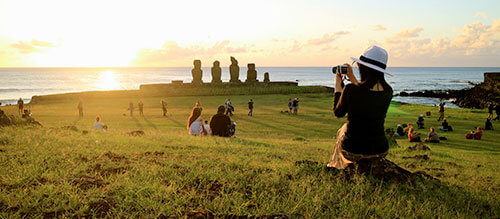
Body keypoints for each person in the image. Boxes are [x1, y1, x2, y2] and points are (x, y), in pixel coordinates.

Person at [327, 45, 393, 169]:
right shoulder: (388, 91)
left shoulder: (351, 90)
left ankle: (335, 165)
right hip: (381, 150)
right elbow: (366, 96)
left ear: (364, 68)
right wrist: (352, 78)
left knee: (343, 129)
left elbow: (338, 112)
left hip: (353, 150)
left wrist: (338, 84)